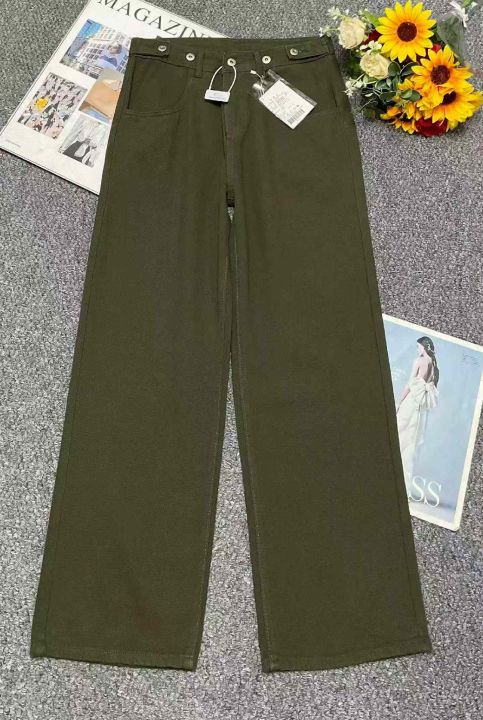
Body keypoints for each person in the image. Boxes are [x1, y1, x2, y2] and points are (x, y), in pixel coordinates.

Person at [396, 336, 439, 483]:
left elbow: (409, 384)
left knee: (399, 430)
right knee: (412, 438)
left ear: (424, 346)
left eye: (418, 346)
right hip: (421, 406)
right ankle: (403, 474)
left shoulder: (419, 361)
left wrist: (399, 402)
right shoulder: (434, 365)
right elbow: (432, 387)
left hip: (411, 400)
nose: (417, 349)